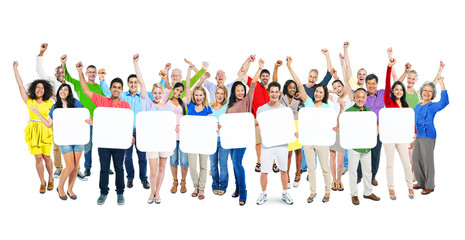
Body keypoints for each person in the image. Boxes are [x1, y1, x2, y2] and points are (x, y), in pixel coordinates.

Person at [76, 61, 131, 205]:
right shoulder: (102, 100)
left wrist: (130, 136)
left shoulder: (126, 105)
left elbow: (126, 123)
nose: (116, 90)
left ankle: (120, 193)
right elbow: (86, 90)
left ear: (121, 89)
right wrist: (80, 71)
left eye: (119, 88)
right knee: (104, 168)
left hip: (119, 143)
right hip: (104, 141)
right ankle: (103, 192)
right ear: (110, 88)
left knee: (119, 168)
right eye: (114, 87)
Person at [35, 43, 87, 181]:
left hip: (71, 117)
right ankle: (59, 168)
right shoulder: (51, 81)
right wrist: (41, 53)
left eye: (62, 72)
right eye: (58, 72)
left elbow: (75, 100)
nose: (60, 74)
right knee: (57, 143)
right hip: (56, 116)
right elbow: (40, 71)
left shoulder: (69, 85)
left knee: (75, 142)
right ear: (55, 74)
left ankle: (77, 169)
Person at [287, 56, 332, 203]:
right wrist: (289, 67)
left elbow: (327, 125)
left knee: (325, 168)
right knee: (311, 168)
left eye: (321, 92)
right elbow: (299, 84)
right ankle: (313, 192)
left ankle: (327, 192)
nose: (318, 93)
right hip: (308, 140)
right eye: (317, 92)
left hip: (321, 140)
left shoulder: (327, 108)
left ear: (324, 94)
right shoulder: (309, 102)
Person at [100, 71, 153, 190]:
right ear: (128, 85)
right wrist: (102, 80)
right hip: (126, 131)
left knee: (142, 157)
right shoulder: (123, 96)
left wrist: (163, 80)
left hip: (141, 131)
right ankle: (130, 177)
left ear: (138, 84)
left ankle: (144, 178)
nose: (133, 84)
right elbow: (109, 92)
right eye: (131, 82)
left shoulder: (144, 96)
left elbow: (157, 93)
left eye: (135, 82)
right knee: (127, 157)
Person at [62, 55, 113, 177]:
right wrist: (63, 64)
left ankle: (106, 166)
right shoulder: (80, 84)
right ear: (85, 73)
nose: (91, 74)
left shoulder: (99, 87)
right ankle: (88, 167)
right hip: (86, 120)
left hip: (99, 120)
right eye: (89, 72)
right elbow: (67, 77)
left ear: (95, 74)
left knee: (104, 144)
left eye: (93, 72)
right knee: (88, 145)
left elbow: (108, 99)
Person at [34, 84, 86, 200]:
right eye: (61, 89)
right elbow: (48, 124)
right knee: (69, 166)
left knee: (75, 166)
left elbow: (84, 115)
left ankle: (70, 189)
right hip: (65, 138)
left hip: (78, 137)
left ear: (69, 92)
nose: (63, 91)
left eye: (65, 90)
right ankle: (60, 188)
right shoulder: (55, 107)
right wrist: (38, 113)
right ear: (58, 92)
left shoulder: (75, 103)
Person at [133, 53, 173, 204]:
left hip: (164, 141)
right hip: (151, 141)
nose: (157, 95)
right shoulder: (147, 103)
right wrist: (135, 63)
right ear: (152, 94)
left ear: (163, 94)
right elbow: (142, 83)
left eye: (159, 93)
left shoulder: (167, 109)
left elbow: (170, 126)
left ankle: (158, 192)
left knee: (162, 169)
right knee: (153, 171)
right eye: (155, 92)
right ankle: (152, 192)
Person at [226, 56, 262, 206]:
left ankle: (243, 192)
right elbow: (227, 122)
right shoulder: (230, 106)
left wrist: (259, 68)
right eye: (238, 90)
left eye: (242, 90)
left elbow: (252, 83)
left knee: (237, 163)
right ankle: (237, 187)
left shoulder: (247, 100)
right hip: (231, 138)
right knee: (234, 164)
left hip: (242, 138)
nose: (240, 92)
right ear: (234, 91)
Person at [14, 61, 54, 194]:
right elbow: (20, 86)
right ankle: (42, 181)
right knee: (37, 158)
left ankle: (50, 177)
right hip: (33, 131)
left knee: (47, 157)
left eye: (42, 88)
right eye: (38, 87)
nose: (40, 89)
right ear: (34, 89)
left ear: (45, 90)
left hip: (45, 131)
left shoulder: (49, 103)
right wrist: (15, 69)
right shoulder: (29, 101)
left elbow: (55, 114)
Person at [255, 81, 294, 205]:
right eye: (272, 92)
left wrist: (295, 133)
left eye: (276, 92)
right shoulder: (261, 109)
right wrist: (257, 128)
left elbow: (289, 126)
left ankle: (284, 193)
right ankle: (264, 194)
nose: (274, 94)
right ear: (268, 93)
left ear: (279, 93)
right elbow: (257, 123)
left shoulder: (285, 110)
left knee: (284, 170)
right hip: (267, 144)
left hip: (282, 144)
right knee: (264, 171)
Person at [239, 55, 278, 173]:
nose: (265, 77)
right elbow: (241, 74)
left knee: (271, 141)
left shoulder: (272, 90)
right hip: (256, 119)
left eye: (267, 76)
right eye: (263, 75)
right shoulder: (254, 86)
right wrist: (254, 65)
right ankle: (259, 161)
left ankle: (273, 162)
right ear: (260, 77)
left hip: (270, 120)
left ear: (269, 77)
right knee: (259, 142)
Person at [383, 57, 415, 200]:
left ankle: (409, 187)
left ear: (403, 92)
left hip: (401, 136)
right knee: (390, 163)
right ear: (393, 91)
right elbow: (387, 82)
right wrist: (389, 67)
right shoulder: (388, 102)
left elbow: (410, 121)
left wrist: (413, 133)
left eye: (401, 89)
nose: (399, 91)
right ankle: (391, 189)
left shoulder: (405, 106)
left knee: (406, 163)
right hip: (389, 137)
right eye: (396, 89)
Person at [412, 75, 449, 195]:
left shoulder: (433, 106)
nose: (427, 92)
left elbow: (444, 102)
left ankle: (429, 185)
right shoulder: (417, 107)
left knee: (427, 161)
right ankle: (421, 182)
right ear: (421, 92)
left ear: (432, 94)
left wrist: (441, 82)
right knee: (416, 159)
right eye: (425, 90)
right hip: (418, 136)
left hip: (428, 135)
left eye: (430, 91)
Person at [345, 88, 381, 205]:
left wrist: (376, 130)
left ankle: (368, 192)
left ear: (365, 99)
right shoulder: (349, 112)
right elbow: (346, 129)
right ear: (354, 98)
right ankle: (354, 194)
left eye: (363, 97)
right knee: (353, 172)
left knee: (367, 171)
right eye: (358, 97)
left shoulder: (369, 112)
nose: (361, 99)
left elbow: (375, 126)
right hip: (354, 147)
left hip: (366, 147)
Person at [273, 59, 304, 188]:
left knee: (298, 150)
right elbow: (274, 83)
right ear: (286, 88)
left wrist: (290, 67)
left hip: (297, 124)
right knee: (288, 152)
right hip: (285, 125)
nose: (292, 89)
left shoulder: (299, 97)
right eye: (290, 87)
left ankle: (298, 173)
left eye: (294, 87)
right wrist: (276, 68)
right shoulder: (281, 97)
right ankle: (288, 175)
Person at [185, 63, 213, 200]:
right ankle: (195, 186)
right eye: (196, 95)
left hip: (204, 141)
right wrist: (189, 71)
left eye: (200, 95)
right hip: (191, 140)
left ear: (204, 96)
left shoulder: (207, 109)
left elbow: (209, 126)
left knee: (203, 165)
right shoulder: (190, 104)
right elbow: (188, 86)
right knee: (193, 165)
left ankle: (201, 189)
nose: (198, 97)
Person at [328, 62, 353, 192]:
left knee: (340, 160)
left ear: (343, 86)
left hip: (344, 131)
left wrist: (339, 75)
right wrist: (334, 81)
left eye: (339, 86)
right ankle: (334, 180)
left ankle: (339, 179)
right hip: (334, 129)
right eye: (335, 87)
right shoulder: (335, 99)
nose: (337, 89)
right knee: (332, 156)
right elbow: (324, 90)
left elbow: (346, 80)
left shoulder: (349, 96)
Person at [209, 85, 230, 195]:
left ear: (225, 95)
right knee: (213, 164)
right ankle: (214, 185)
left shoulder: (227, 106)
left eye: (222, 93)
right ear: (215, 94)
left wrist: (222, 125)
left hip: (223, 139)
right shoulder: (209, 106)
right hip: (211, 139)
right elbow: (206, 122)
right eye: (218, 93)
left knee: (223, 164)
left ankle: (223, 185)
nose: (219, 95)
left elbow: (230, 121)